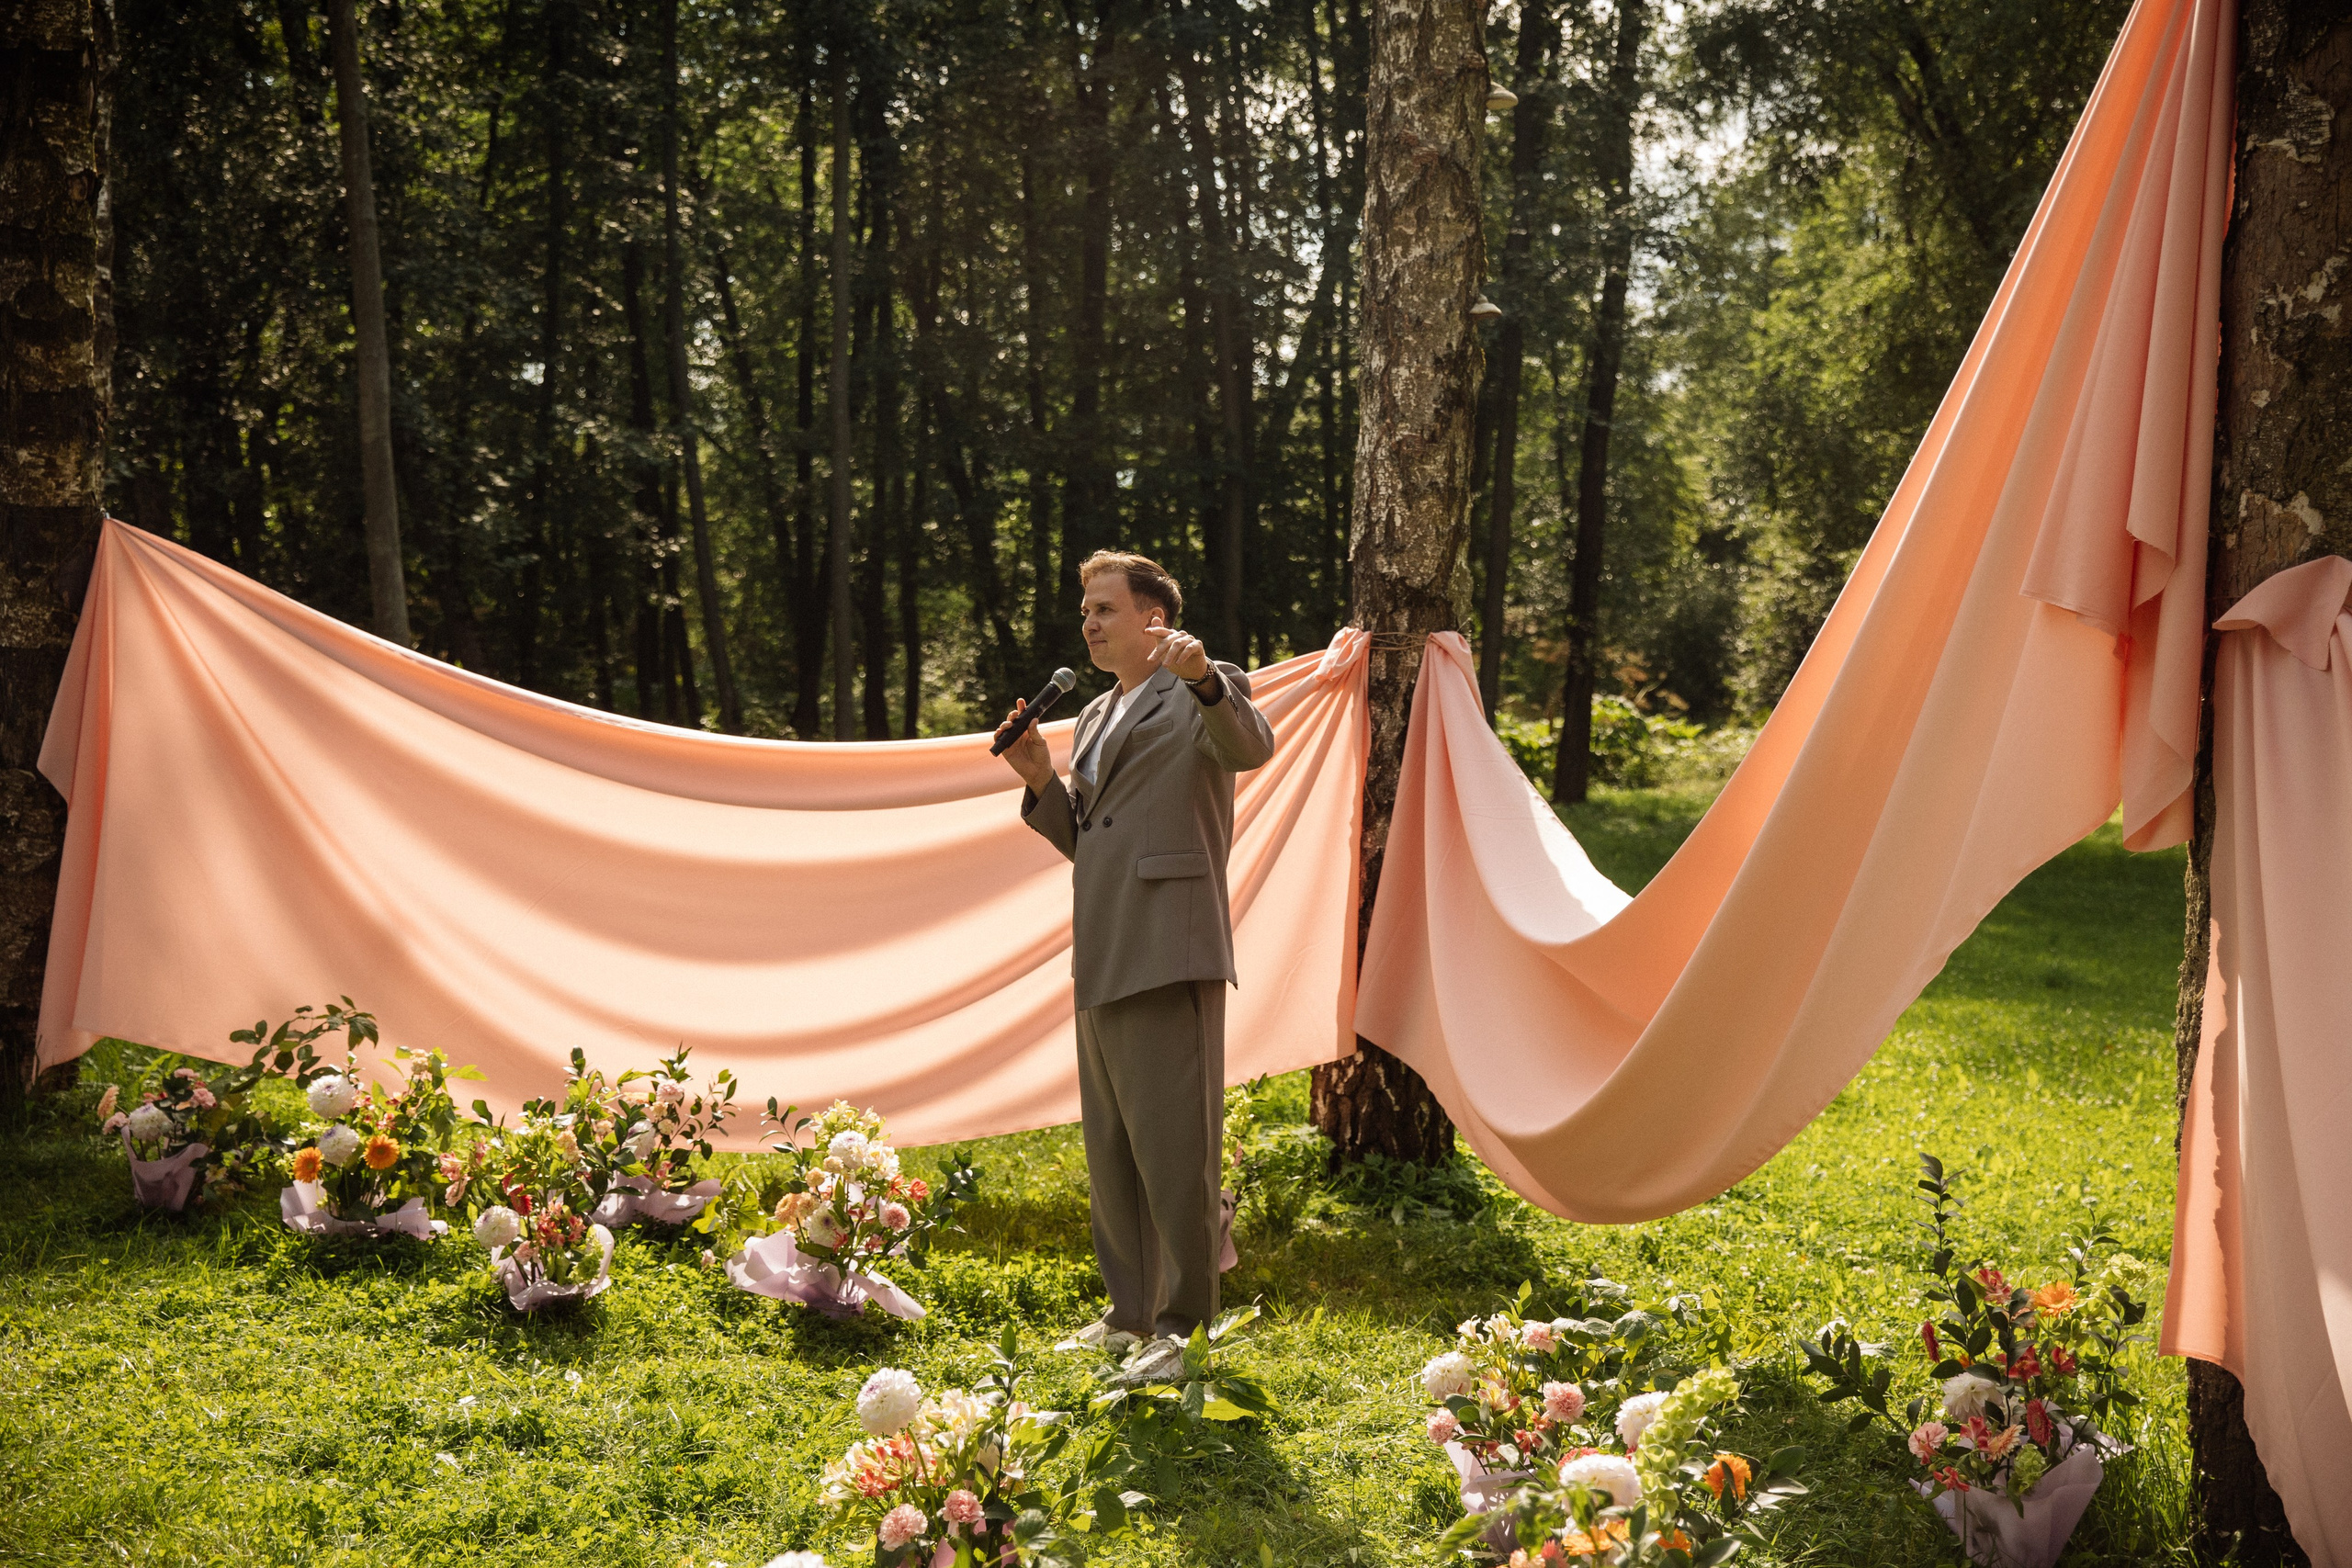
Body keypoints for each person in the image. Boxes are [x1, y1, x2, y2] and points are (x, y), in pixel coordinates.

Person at [995, 551, 1274, 1381]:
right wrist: (1042, 779)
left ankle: (1184, 1329)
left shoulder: (1201, 683)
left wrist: (1205, 683)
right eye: (1085, 609)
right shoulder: (1092, 715)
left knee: (1174, 1147)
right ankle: (1129, 1313)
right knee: (1113, 1147)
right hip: (1105, 943)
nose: (1089, 621)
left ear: (1155, 618)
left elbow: (1251, 746)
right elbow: (1091, 841)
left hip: (1170, 942)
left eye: (1106, 608)